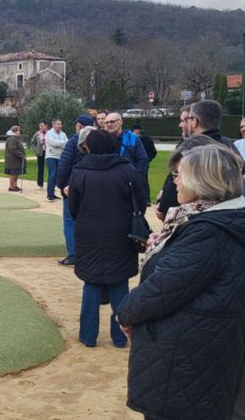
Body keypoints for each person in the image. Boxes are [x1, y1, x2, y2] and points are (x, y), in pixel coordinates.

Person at [117, 144, 245, 420]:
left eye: (180, 174)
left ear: (202, 181)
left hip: (186, 354)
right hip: (198, 347)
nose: (175, 180)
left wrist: (125, 313)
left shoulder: (208, 230)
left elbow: (163, 288)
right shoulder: (214, 218)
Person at [170, 135, 245, 418]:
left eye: (181, 173)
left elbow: (211, 269)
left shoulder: (244, 203)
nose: (177, 180)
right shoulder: (222, 202)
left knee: (242, 405)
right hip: (238, 309)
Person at [67, 130, 146, 348]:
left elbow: (73, 207)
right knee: (119, 281)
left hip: (89, 231)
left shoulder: (79, 171)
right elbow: (140, 200)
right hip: (119, 231)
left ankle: (88, 335)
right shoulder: (126, 169)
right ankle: (120, 336)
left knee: (91, 282)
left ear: (89, 147)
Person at [155, 99, 238, 221]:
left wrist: (164, 207)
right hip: (227, 214)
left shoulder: (193, 148)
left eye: (186, 120)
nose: (181, 125)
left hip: (196, 215)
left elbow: (176, 182)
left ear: (194, 121)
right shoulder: (229, 145)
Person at [55, 114, 96, 266]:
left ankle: (73, 255)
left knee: (70, 221)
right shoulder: (101, 140)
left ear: (79, 126)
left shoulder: (73, 141)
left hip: (72, 187)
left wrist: (60, 185)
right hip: (93, 187)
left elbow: (64, 165)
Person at [102, 112, 149, 204]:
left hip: (128, 184)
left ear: (121, 122)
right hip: (108, 184)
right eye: (107, 122)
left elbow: (143, 160)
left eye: (112, 121)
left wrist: (135, 178)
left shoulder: (132, 138)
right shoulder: (103, 139)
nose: (109, 124)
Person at [44, 119, 67, 201]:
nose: (60, 125)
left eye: (60, 124)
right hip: (51, 157)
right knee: (52, 175)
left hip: (60, 157)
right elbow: (52, 143)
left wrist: (59, 144)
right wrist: (62, 143)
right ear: (53, 125)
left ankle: (53, 194)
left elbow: (67, 143)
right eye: (58, 124)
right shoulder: (48, 133)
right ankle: (49, 196)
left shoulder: (63, 134)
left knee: (58, 176)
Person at [4, 126, 26, 192]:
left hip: (16, 160)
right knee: (13, 173)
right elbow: (12, 149)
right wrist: (21, 155)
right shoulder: (12, 138)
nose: (19, 132)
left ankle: (15, 185)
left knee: (16, 173)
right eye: (18, 130)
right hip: (13, 160)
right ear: (15, 131)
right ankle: (11, 186)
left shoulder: (15, 138)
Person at [29, 121, 47, 188]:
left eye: (42, 125)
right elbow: (32, 143)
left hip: (49, 152)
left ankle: (52, 184)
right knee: (40, 168)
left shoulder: (49, 133)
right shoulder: (37, 134)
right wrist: (36, 150)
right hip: (40, 152)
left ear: (46, 126)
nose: (41, 127)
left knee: (51, 168)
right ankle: (40, 184)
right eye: (40, 126)